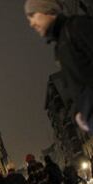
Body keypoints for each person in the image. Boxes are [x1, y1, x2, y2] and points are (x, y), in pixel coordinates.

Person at [25, 0, 93, 133]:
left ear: (48, 11)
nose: (31, 23)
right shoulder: (60, 46)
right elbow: (77, 86)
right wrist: (78, 113)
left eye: (32, 15)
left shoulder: (77, 27)